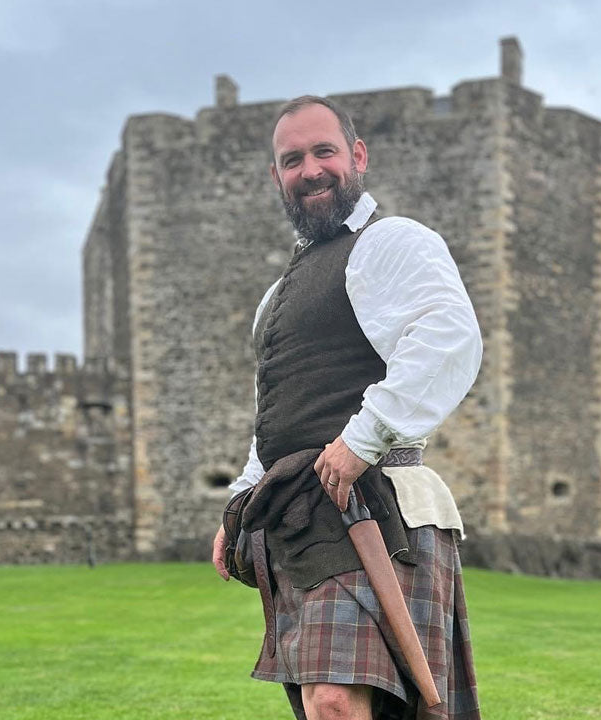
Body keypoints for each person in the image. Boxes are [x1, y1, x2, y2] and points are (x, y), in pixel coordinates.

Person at [212, 96, 483, 720]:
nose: (310, 169)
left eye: (323, 151)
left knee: (340, 702)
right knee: (322, 705)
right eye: (292, 159)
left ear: (356, 156)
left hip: (376, 507)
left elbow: (448, 334)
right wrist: (240, 504)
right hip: (303, 515)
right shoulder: (275, 297)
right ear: (276, 176)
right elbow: (278, 415)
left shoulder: (391, 243)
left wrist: (365, 439)